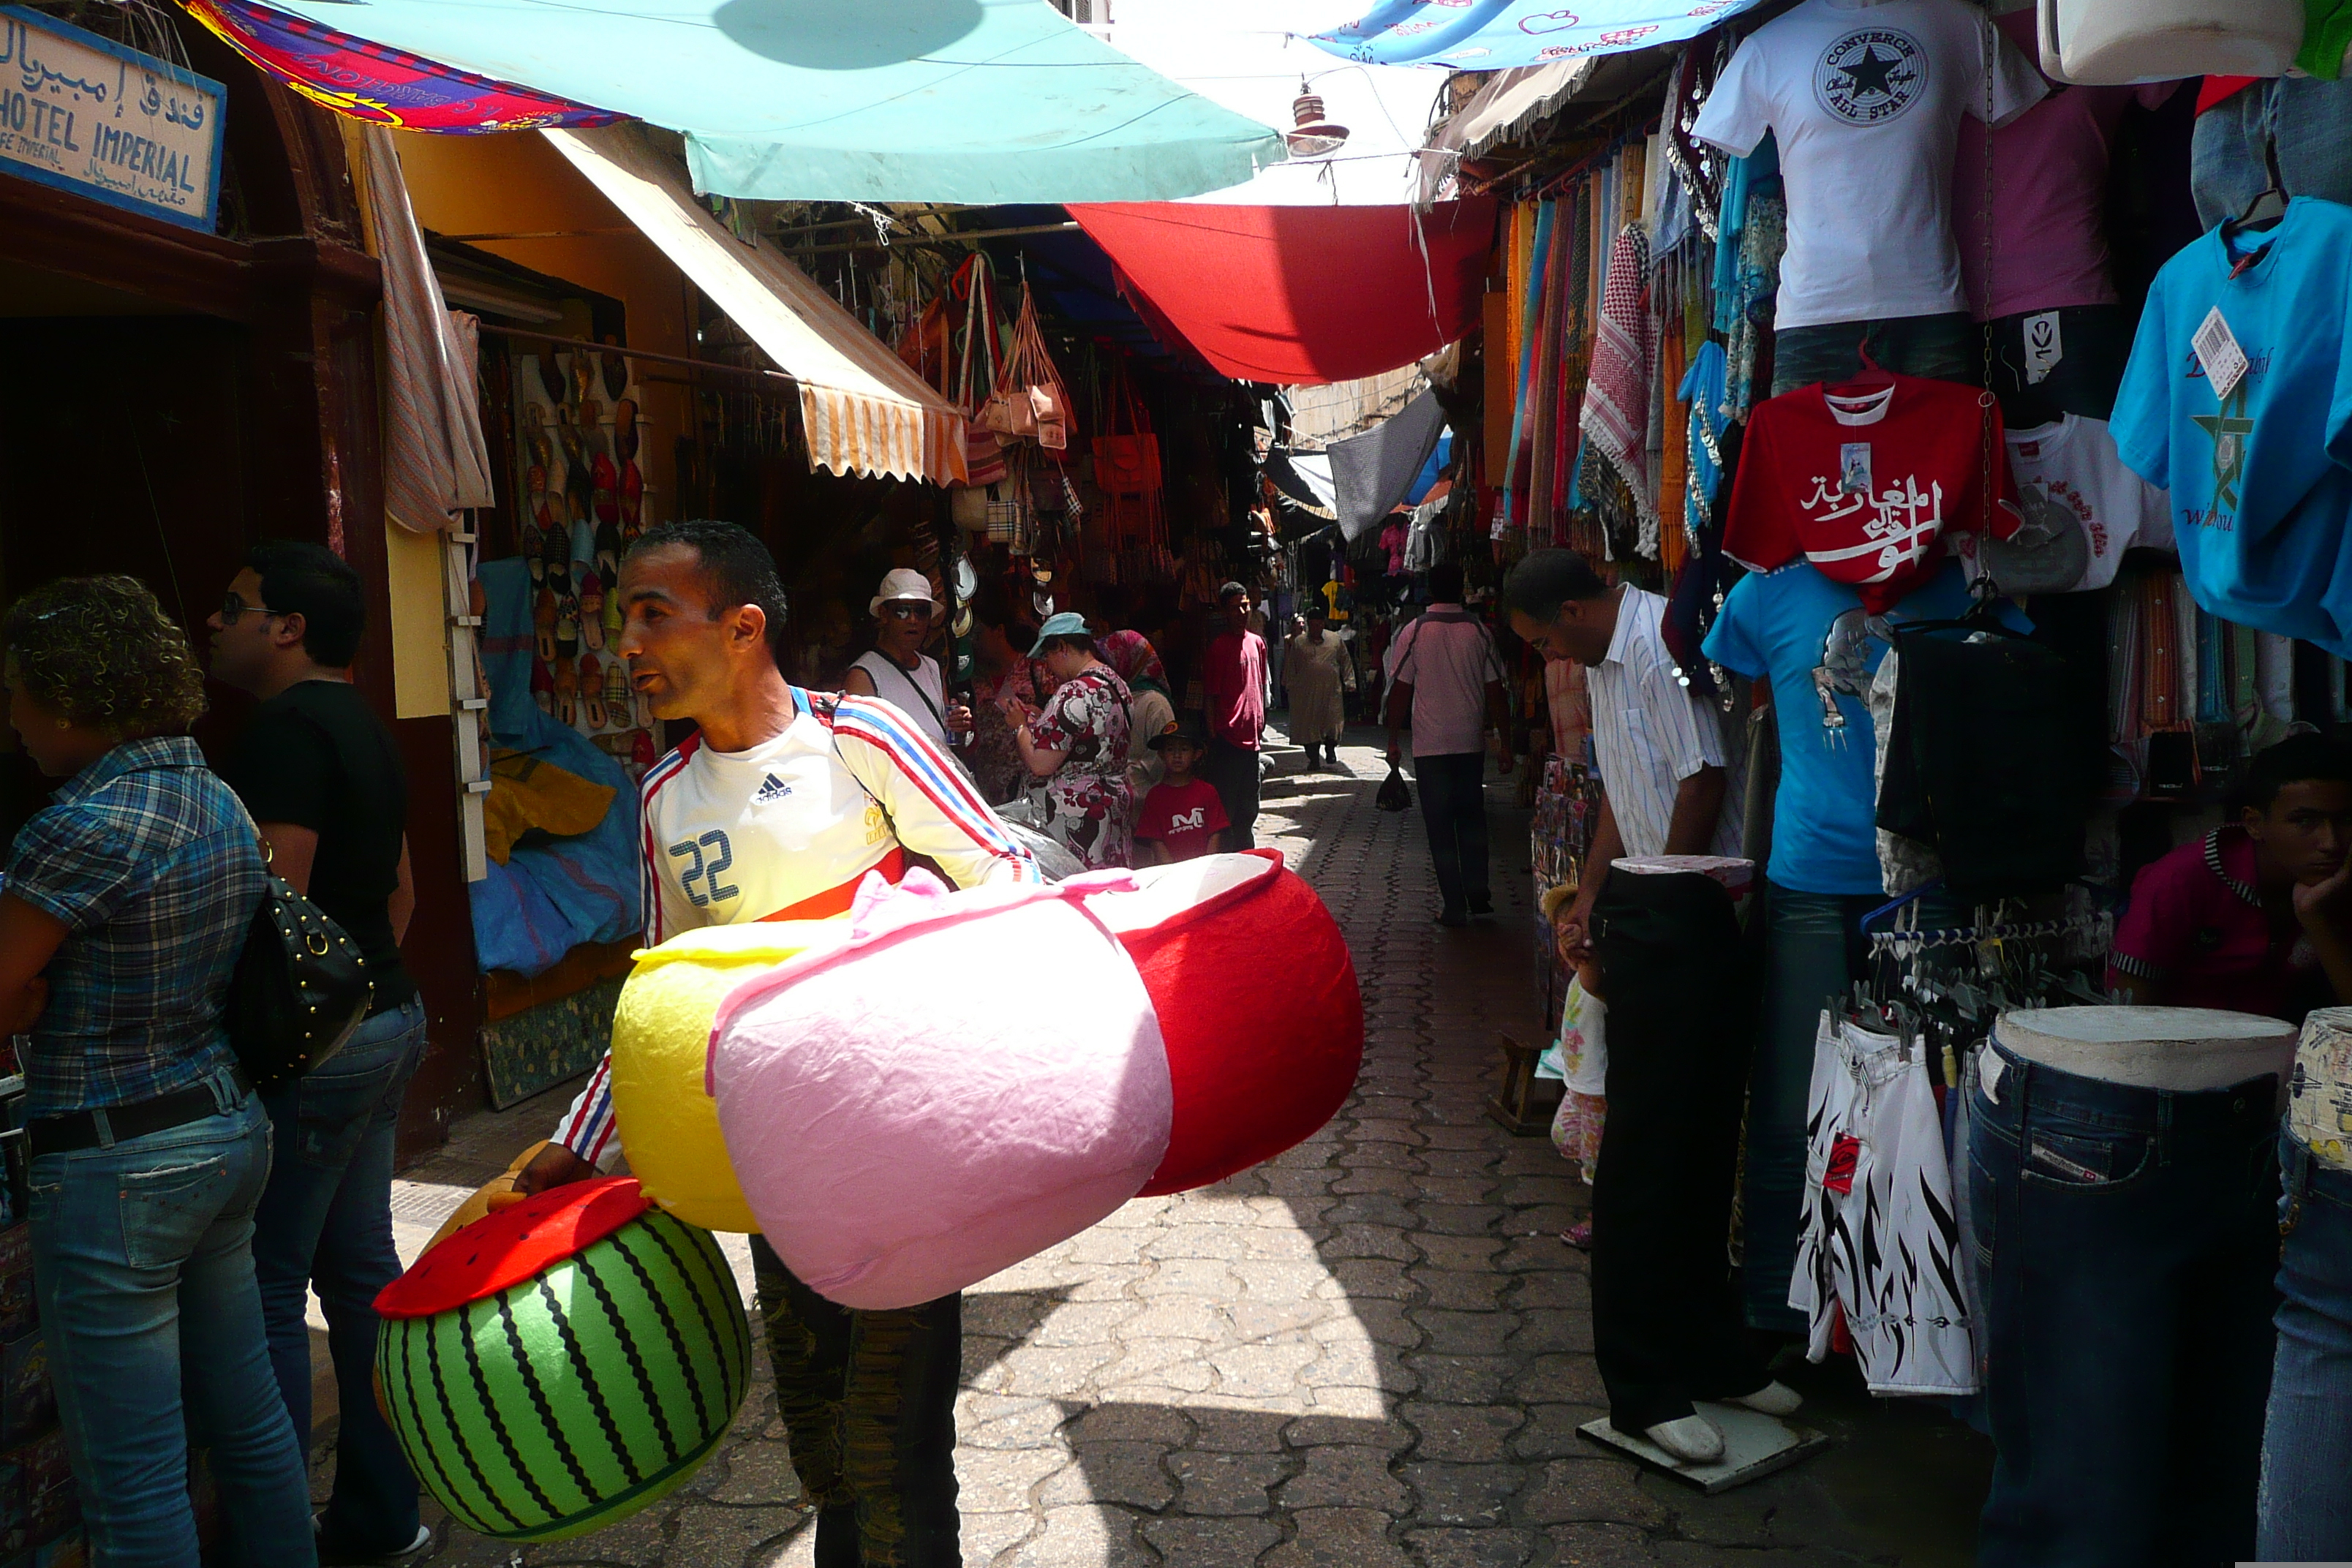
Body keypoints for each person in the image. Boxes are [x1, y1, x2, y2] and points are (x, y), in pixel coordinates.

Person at [512, 521, 1040, 1568]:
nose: (627, 646)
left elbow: (1003, 882)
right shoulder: (663, 799)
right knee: (825, 1453)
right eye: (625, 620)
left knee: (897, 1454)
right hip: (775, 1171)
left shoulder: (863, 742)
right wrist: (576, 1146)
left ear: (744, 627)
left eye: (652, 617)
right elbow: (663, 991)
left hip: (898, 1161)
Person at [0, 576, 315, 1567]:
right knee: (250, 1417)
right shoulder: (211, 793)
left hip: (117, 1161)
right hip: (221, 1127)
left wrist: (25, 1003)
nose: (12, 722)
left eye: (15, 695)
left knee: (134, 1482)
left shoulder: (80, 829)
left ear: (64, 701)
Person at [206, 543, 428, 1565]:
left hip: (322, 1042)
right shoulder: (363, 726)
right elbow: (401, 894)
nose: (217, 622)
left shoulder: (286, 731)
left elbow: (276, 906)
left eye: (236, 606)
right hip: (387, 1017)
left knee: (267, 1286)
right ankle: (382, 1519)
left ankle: (274, 1540)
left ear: (287, 628)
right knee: (361, 1275)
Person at [1501, 549, 1741, 952]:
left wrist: (1663, 907)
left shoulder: (1655, 646)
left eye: (1545, 642)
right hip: (1661, 896)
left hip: (1705, 901)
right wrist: (1589, 895)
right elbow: (1623, 783)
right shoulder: (1598, 659)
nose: (1551, 656)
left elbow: (1702, 782)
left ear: (1573, 612)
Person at [2110, 733, 2352, 1019]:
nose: (2331, 843)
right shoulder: (2181, 880)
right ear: (2254, 824)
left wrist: (2315, 918)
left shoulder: (2342, 878)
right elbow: (2126, 1018)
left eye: (2346, 819)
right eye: (2304, 821)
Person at [1384, 562, 1513, 927]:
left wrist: (1393, 740)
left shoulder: (1414, 632)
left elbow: (1401, 691)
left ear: (1431, 590)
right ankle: (1478, 892)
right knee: (1472, 819)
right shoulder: (1479, 632)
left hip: (1430, 747)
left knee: (1440, 826)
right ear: (1460, 589)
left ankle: (1454, 903)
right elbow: (1496, 691)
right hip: (1470, 743)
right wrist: (1505, 742)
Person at [1004, 612, 1135, 870]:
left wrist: (1019, 726)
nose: (1048, 666)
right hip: (1112, 810)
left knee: (1077, 891)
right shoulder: (1117, 684)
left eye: (1047, 656)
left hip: (1076, 819)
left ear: (1061, 647)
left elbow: (1041, 764)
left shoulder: (1074, 691)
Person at [843, 568, 972, 749]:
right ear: (884, 614)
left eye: (921, 611)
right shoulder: (864, 675)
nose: (913, 620)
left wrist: (957, 725)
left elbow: (943, 728)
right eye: (902, 611)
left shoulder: (932, 668)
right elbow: (857, 746)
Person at [1202, 583, 1269, 849]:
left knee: (1249, 808)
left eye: (1245, 606)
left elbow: (1261, 686)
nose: (1242, 612)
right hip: (1228, 739)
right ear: (1225, 612)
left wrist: (1261, 722)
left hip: (1252, 739)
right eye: (1235, 608)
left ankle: (1247, 857)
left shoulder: (1258, 644)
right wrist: (1212, 734)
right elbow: (1211, 697)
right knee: (1227, 811)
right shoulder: (1219, 648)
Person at [964, 584, 1040, 807]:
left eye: (978, 634)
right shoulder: (972, 678)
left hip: (1031, 790)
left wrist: (1034, 715)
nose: (973, 642)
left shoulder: (1036, 669)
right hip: (987, 796)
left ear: (998, 631)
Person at [1132, 719, 1229, 867]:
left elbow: (1216, 833)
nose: (1177, 755)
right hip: (1171, 872)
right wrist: (1173, 870)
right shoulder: (1155, 796)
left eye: (1184, 749)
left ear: (1196, 755)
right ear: (1161, 755)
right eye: (1170, 749)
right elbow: (1154, 840)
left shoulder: (1207, 792)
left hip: (1205, 870)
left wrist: (1208, 865)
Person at [1103, 630, 1175, 801]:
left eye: (1112, 660)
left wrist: (1122, 781)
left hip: (1142, 800)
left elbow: (1160, 762)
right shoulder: (1114, 696)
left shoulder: (1155, 704)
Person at [1284, 606, 1356, 769]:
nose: (1316, 629)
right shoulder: (1299, 643)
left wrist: (1349, 682)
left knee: (1333, 722)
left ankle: (1330, 748)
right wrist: (1290, 685)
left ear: (1323, 624)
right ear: (1309, 625)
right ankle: (1314, 759)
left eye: (1319, 625)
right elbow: (1292, 666)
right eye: (1313, 625)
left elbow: (1346, 662)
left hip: (1331, 692)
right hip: (1307, 693)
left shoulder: (1335, 640)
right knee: (1309, 728)